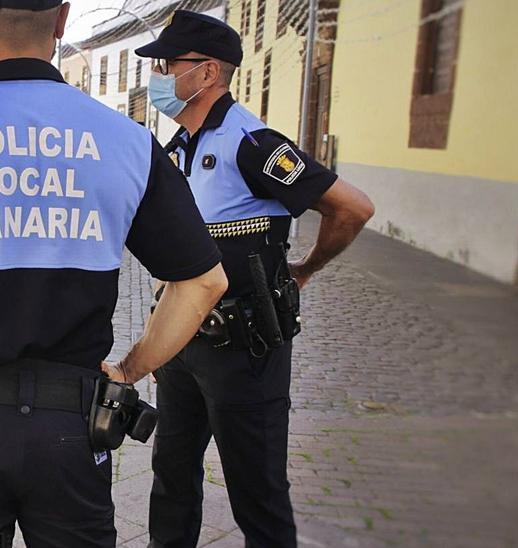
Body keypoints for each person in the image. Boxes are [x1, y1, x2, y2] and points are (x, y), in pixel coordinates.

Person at [0, 1, 229, 546]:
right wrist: (128, 369)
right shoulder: (124, 142)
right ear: (61, 20)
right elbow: (205, 281)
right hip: (72, 431)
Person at [132, 11, 375, 548]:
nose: (160, 77)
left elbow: (352, 209)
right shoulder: (177, 150)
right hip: (183, 347)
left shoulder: (252, 143)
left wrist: (306, 269)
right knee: (172, 481)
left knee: (257, 496)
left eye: (169, 65)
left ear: (208, 72)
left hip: (244, 351)